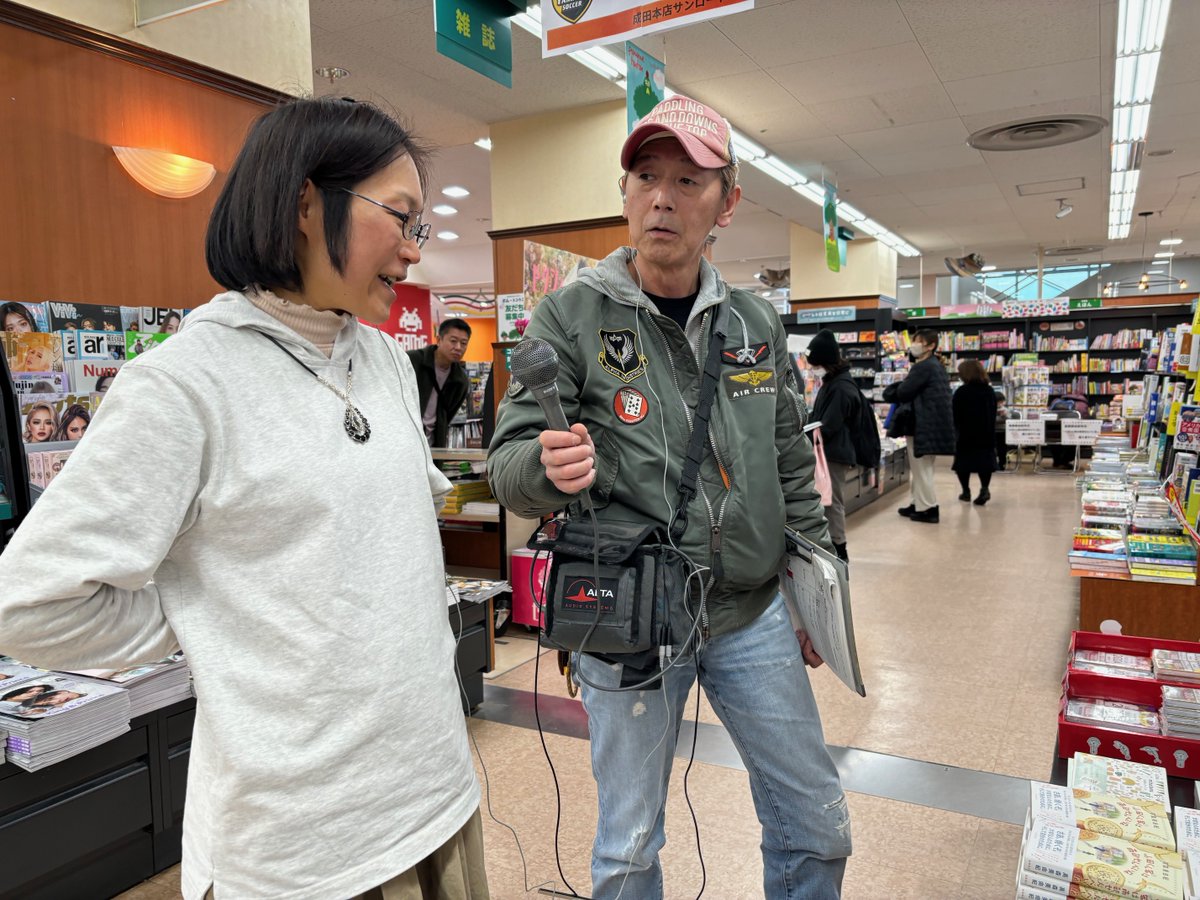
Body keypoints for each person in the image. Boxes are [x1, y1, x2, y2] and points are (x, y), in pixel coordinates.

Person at [0, 97, 487, 900]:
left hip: (434, 792)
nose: (410, 251)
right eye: (399, 217)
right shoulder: (184, 385)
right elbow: (29, 603)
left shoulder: (388, 363)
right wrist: (210, 612)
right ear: (305, 203)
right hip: (302, 845)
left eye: (419, 227)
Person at [489, 95, 850, 900]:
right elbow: (507, 463)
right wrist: (548, 468)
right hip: (631, 619)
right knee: (627, 847)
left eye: (689, 180)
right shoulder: (569, 316)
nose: (663, 198)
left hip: (750, 611)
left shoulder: (755, 321)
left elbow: (792, 465)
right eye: (646, 176)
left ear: (727, 201)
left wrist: (815, 591)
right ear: (624, 192)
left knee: (816, 824)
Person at [883, 329, 954, 523]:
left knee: (921, 469)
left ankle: (928, 508)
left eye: (919, 342)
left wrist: (895, 388)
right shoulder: (936, 366)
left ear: (930, 346)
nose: (914, 345)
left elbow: (905, 392)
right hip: (931, 425)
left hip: (921, 425)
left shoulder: (923, 367)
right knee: (923, 468)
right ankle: (917, 503)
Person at [806, 328, 861, 562]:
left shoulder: (840, 387)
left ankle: (840, 548)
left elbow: (828, 425)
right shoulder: (833, 382)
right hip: (827, 452)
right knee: (827, 499)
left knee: (832, 501)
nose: (811, 369)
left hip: (833, 454)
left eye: (814, 364)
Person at [407, 317, 471, 446]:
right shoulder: (412, 361)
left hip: (433, 445)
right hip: (405, 438)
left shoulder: (460, 381)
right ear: (439, 340)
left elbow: (447, 414)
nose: (458, 347)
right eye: (453, 341)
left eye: (464, 343)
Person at [951, 360, 997, 506]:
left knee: (963, 463)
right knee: (985, 463)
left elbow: (955, 414)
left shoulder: (962, 392)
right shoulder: (989, 391)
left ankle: (966, 491)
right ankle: (984, 488)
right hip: (986, 433)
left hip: (966, 433)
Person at [1048, 390, 1090, 469]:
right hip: (1072, 435)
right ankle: (1064, 461)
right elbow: (1086, 421)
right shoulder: (1082, 405)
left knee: (1054, 437)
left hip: (1051, 435)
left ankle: (1057, 461)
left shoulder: (1056, 401)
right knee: (1079, 437)